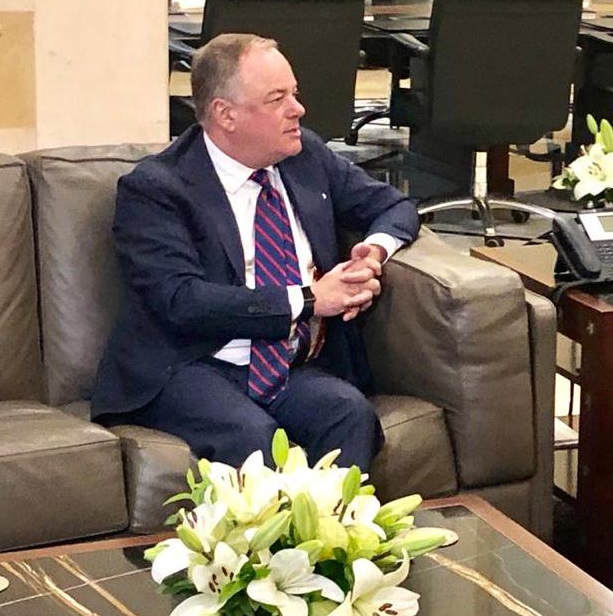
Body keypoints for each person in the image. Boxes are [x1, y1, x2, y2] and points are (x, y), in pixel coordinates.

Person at [92, 33, 419, 471]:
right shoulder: (156, 189)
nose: (297, 109)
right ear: (225, 114)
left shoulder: (305, 156)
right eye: (277, 99)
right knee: (252, 437)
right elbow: (181, 301)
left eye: (294, 94)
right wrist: (309, 299)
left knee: (349, 414)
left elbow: (395, 206)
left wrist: (372, 253)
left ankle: (331, 519)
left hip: (290, 363)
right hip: (194, 364)